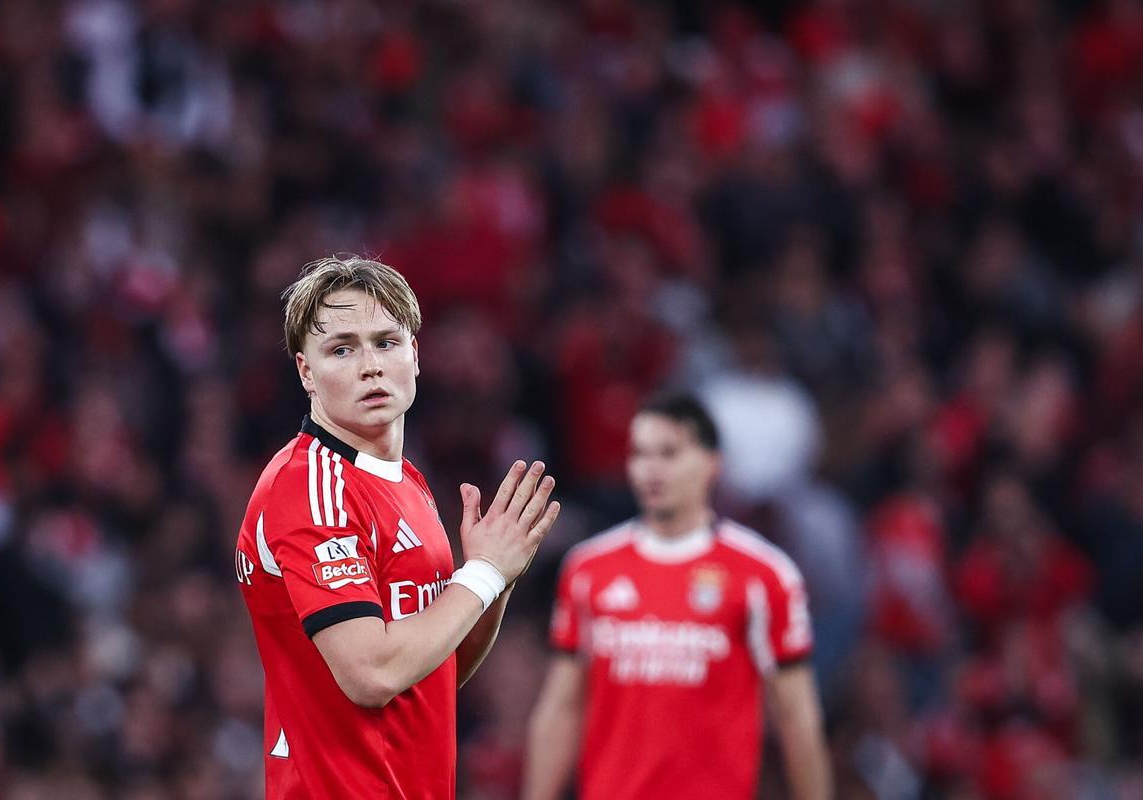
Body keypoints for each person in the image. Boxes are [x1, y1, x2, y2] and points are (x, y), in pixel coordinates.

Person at [234, 256, 560, 799]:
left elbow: (432, 672)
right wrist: (481, 573)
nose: (370, 366)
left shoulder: (407, 481)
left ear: (415, 353)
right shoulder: (310, 487)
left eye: (386, 342)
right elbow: (372, 675)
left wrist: (496, 580)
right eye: (342, 349)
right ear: (306, 372)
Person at [523, 394, 832, 800]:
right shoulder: (587, 569)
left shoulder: (764, 575)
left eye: (669, 453)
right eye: (640, 454)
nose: (651, 469)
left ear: (711, 463)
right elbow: (561, 708)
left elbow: (796, 717)